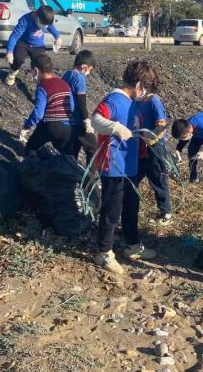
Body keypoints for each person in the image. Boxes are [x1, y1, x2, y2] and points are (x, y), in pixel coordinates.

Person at [90, 59, 158, 274]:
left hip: (130, 166)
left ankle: (132, 246)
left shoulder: (133, 103)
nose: (146, 92)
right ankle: (103, 253)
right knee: (112, 210)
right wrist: (116, 127)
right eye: (146, 87)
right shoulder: (114, 99)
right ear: (139, 84)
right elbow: (95, 120)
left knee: (131, 206)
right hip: (114, 165)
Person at [134, 70, 173, 225]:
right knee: (133, 179)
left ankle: (165, 213)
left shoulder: (153, 101)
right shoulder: (138, 101)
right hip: (140, 147)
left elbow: (161, 125)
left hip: (154, 148)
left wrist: (149, 138)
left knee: (158, 179)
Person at [19, 55, 74, 155]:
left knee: (31, 149)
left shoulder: (42, 87)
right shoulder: (64, 84)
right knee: (65, 157)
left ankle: (32, 168)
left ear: (35, 71)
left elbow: (38, 113)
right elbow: (72, 106)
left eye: (31, 72)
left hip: (50, 125)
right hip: (67, 128)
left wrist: (27, 126)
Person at [5, 5, 62, 86]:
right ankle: (13, 72)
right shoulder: (25, 20)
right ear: (36, 15)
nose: (44, 27)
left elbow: (51, 27)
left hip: (38, 45)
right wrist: (9, 51)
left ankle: (41, 80)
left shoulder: (46, 20)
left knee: (42, 63)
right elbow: (14, 36)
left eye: (46, 25)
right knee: (18, 58)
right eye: (43, 24)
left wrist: (58, 37)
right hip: (23, 43)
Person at [62, 50, 97, 161]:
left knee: (72, 152)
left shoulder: (67, 74)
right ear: (84, 67)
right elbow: (81, 102)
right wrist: (87, 121)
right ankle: (89, 177)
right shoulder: (80, 78)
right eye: (89, 70)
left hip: (67, 120)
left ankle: (71, 174)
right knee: (93, 148)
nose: (88, 73)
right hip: (77, 120)